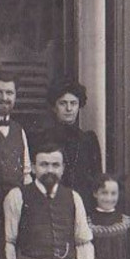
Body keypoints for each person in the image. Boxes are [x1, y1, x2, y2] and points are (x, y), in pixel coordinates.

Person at [31, 78, 103, 211]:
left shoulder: (88, 140)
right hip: (51, 205)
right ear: (54, 107)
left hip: (83, 206)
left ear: (79, 106)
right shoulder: (42, 139)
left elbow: (97, 179)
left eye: (73, 103)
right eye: (63, 103)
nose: (69, 108)